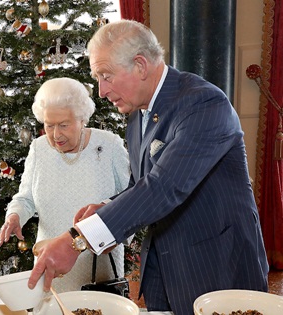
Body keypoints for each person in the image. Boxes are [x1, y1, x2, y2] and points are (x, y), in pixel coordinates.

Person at [28, 20, 269, 315]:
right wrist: (106, 206)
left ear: (140, 66)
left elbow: (164, 187)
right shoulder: (138, 113)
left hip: (217, 267)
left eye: (106, 76)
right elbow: (142, 184)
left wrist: (76, 240)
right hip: (164, 271)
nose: (101, 91)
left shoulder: (204, 104)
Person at [0, 77, 130, 293]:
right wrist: (15, 216)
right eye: (49, 126)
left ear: (82, 119)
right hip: (50, 263)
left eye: (64, 125)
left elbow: (130, 201)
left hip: (98, 266)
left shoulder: (109, 145)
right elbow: (25, 198)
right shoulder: (39, 149)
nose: (56, 135)